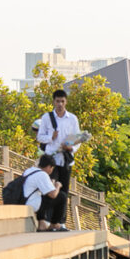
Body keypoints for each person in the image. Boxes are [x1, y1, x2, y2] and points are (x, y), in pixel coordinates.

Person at [36, 89, 82, 229]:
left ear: (66, 102)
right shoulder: (46, 118)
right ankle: (47, 220)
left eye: (62, 101)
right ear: (53, 102)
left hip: (66, 159)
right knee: (50, 189)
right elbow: (39, 137)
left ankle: (60, 222)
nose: (60, 104)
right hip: (51, 161)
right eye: (57, 101)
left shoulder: (72, 119)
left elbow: (78, 138)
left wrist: (71, 148)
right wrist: (51, 138)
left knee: (64, 192)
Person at [21, 154, 65, 231]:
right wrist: (57, 186)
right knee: (62, 196)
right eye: (52, 168)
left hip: (23, 201)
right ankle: (54, 224)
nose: (51, 171)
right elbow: (53, 195)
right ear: (49, 167)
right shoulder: (42, 174)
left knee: (41, 197)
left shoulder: (29, 170)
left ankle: (42, 224)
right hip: (32, 204)